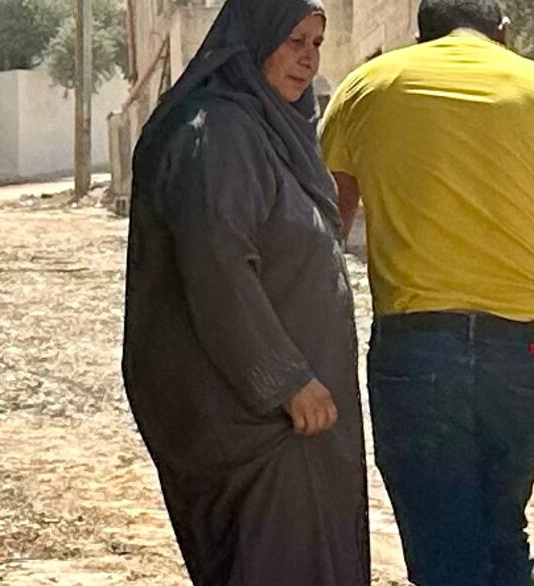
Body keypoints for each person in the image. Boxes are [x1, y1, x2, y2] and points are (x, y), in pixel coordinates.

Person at [317, 0, 534, 582]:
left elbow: (318, 235)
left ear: (422, 34)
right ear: (503, 33)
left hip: (417, 352)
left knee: (446, 551)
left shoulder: (368, 88)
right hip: (528, 357)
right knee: (501, 530)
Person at [121, 0, 368, 583]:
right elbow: (217, 265)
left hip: (300, 420)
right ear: (253, 41)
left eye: (315, 43)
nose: (308, 60)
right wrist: (283, 381)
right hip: (257, 425)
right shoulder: (217, 133)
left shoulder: (271, 132)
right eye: (293, 42)